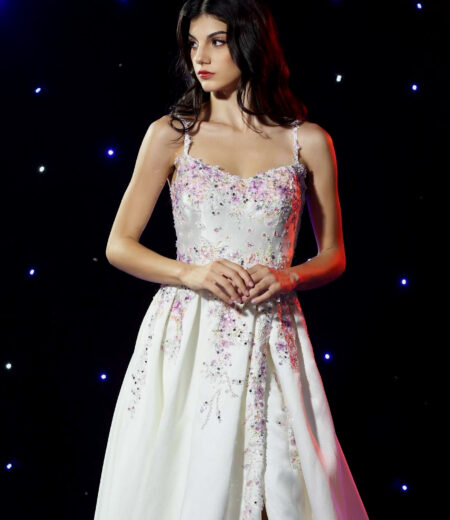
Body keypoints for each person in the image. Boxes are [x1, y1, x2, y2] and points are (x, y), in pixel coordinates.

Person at [94, 0, 370, 519]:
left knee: (281, 487)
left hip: (273, 333)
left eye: (216, 42)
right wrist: (191, 273)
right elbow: (119, 244)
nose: (200, 57)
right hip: (189, 333)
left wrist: (289, 275)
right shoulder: (172, 134)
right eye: (192, 44)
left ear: (251, 43)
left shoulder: (308, 142)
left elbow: (333, 256)